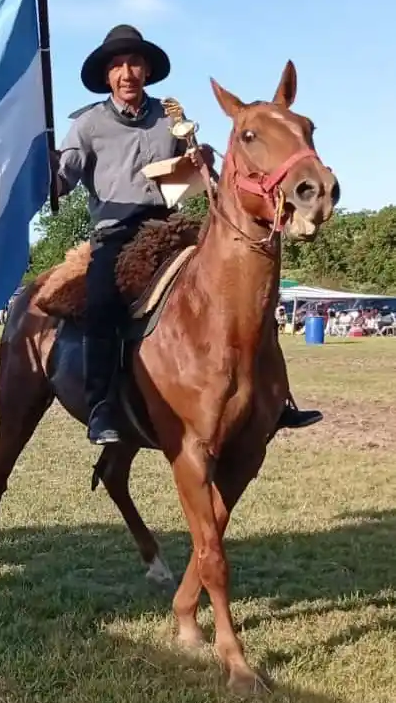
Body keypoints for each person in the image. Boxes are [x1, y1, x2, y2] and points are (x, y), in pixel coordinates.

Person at [54, 23, 321, 445]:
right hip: (115, 232)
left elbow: (201, 174)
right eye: (118, 65)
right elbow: (64, 177)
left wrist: (200, 159)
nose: (127, 73)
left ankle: (276, 396)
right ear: (107, 76)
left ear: (146, 71)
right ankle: (101, 404)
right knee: (103, 300)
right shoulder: (87, 125)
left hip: (167, 226)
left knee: (243, 292)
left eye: (135, 63)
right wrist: (50, 172)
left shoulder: (171, 118)